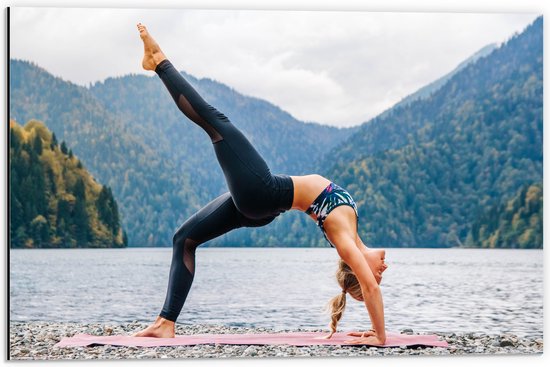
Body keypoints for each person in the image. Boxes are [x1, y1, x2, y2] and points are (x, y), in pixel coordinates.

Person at [133, 23, 389, 345]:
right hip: (264, 206)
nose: (384, 267)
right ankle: (164, 322)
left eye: (379, 271)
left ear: (356, 268)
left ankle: (158, 61)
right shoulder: (352, 230)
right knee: (184, 238)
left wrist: (379, 337)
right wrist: (374, 327)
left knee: (216, 122)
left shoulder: (346, 241)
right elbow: (369, 286)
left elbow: (370, 288)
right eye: (382, 271)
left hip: (263, 192)